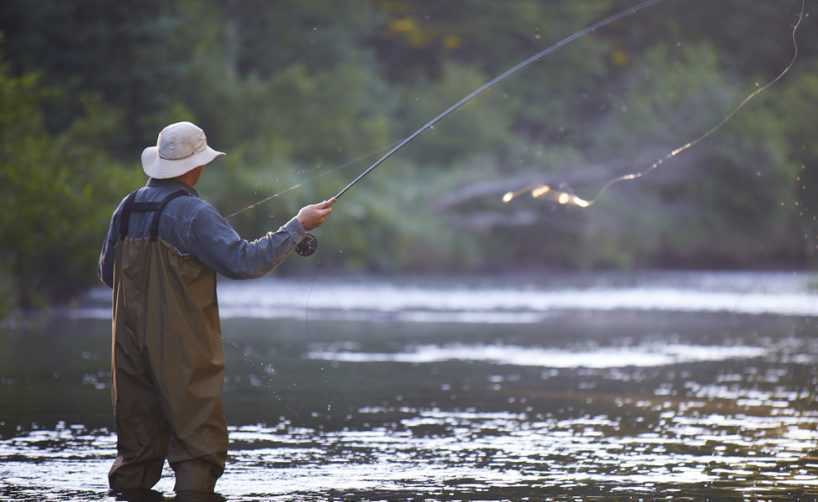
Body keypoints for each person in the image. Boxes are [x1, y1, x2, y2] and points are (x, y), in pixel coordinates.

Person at [98, 121, 334, 500]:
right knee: (197, 451)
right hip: (182, 348)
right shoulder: (193, 213)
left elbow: (108, 274)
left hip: (126, 347)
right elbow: (244, 262)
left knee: (136, 453)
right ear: (195, 167)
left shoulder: (125, 208)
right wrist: (298, 226)